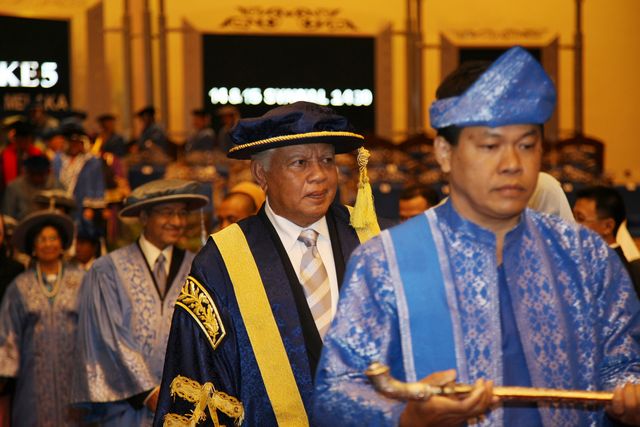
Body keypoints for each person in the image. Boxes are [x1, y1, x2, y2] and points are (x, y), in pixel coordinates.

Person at [313, 47, 640, 427]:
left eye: (527, 145)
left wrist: (628, 393)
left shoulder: (585, 256)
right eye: (489, 146)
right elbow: (336, 393)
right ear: (444, 152)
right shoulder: (386, 261)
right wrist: (406, 416)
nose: (512, 164)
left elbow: (624, 362)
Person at [154, 101, 382, 426]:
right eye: (300, 162)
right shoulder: (222, 262)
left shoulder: (373, 239)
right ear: (261, 174)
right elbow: (200, 379)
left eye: (327, 160)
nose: (319, 175)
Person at [71, 179, 208, 426]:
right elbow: (108, 335)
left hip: (182, 408)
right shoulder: (107, 270)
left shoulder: (198, 269)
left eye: (182, 213)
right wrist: (148, 391)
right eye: (167, 212)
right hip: (123, 410)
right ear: (144, 217)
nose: (177, 221)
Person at [0, 208, 85, 426]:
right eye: (42, 239)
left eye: (53, 238)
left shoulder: (81, 281)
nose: (48, 244)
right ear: (34, 248)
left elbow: (93, 329)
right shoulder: (20, 286)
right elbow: (8, 335)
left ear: (62, 244)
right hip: (32, 379)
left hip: (74, 376)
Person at [573, 185, 640, 296]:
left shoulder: (614, 272)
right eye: (573, 217)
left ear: (608, 226)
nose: (572, 225)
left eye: (580, 219)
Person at [52, 121, 106, 222]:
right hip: (62, 205)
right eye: (71, 142)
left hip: (82, 206)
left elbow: (96, 184)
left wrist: (90, 207)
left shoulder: (91, 161)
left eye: (76, 142)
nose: (74, 145)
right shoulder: (58, 159)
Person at [2, 154, 64, 220]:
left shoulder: (56, 185)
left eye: (41, 174)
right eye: (33, 174)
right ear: (26, 172)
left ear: (48, 172)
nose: (37, 178)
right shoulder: (14, 187)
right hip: (22, 224)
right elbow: (8, 216)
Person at [0, 120, 42, 198]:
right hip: (9, 194)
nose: (23, 142)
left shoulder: (38, 154)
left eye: (26, 139)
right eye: (20, 139)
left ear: (30, 139)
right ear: (15, 139)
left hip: (33, 195)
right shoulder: (5, 154)